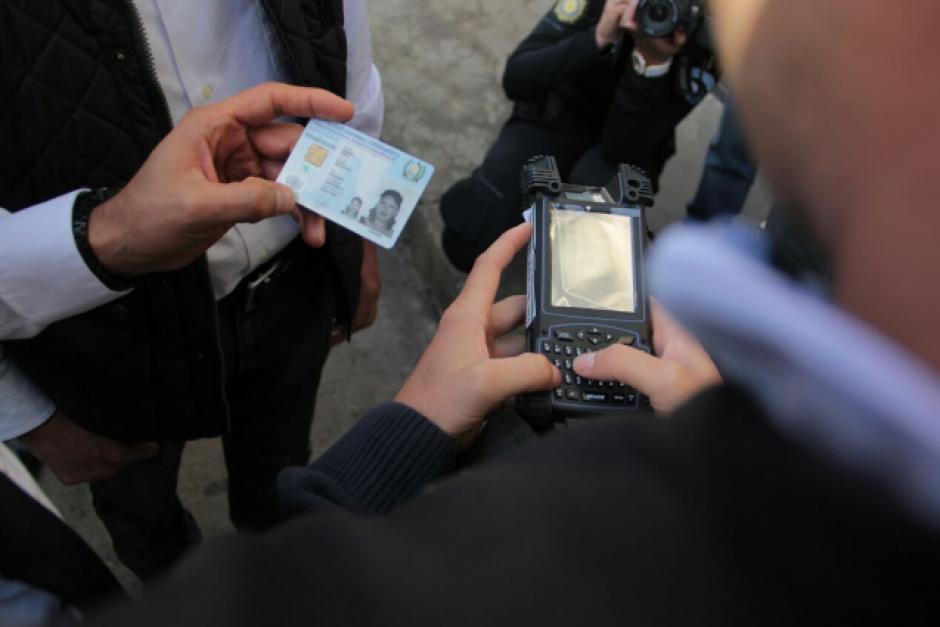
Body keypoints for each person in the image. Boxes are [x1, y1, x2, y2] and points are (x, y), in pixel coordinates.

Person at [0, 0, 383, 579]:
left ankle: (276, 578)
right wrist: (22, 411)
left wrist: (360, 237)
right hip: (103, 332)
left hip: (291, 277)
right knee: (143, 514)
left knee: (279, 476)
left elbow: (342, 49)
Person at [439, 0, 716, 271]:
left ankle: (583, 248)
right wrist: (598, 36)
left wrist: (651, 64)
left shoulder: (708, 42)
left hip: (627, 143)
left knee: (582, 251)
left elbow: (620, 146)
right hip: (559, 119)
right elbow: (517, 79)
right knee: (466, 241)